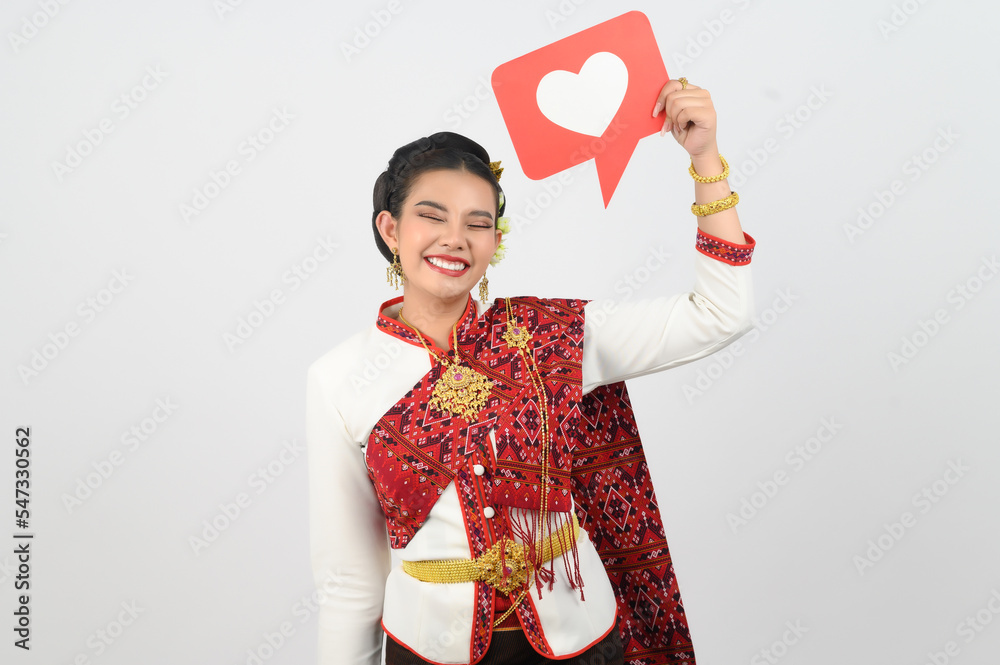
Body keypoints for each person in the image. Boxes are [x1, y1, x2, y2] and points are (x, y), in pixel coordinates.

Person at [306, 78, 755, 665]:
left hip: (584, 644)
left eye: (478, 222)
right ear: (391, 230)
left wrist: (705, 159)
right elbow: (349, 583)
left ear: (496, 239)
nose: (454, 238)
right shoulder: (339, 377)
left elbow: (722, 314)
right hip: (427, 651)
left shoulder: (552, 336)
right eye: (431, 216)